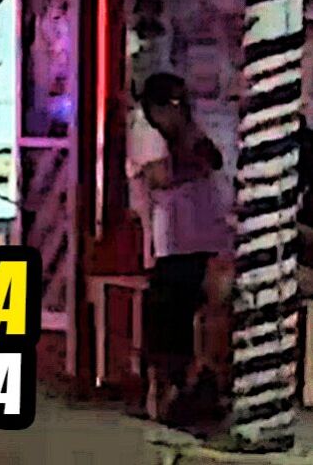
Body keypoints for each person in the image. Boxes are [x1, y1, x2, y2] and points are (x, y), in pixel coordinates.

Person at [126, 72, 229, 424]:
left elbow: (212, 159)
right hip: (164, 242)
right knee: (169, 317)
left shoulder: (182, 129)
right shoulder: (145, 130)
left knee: (190, 313)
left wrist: (190, 136)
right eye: (173, 104)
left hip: (194, 237)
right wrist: (194, 162)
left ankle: (188, 388)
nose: (180, 111)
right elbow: (162, 178)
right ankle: (164, 392)